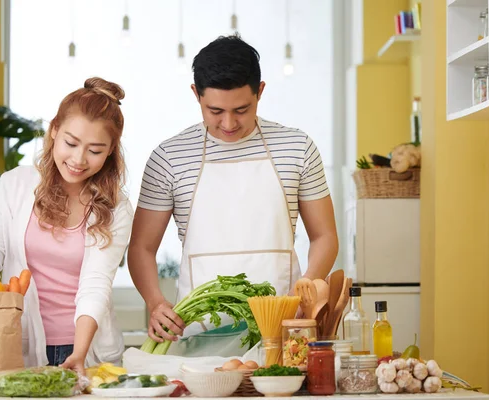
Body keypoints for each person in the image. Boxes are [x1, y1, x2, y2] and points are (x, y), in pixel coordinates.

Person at [127, 35, 339, 351]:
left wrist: (304, 295)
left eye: (242, 109)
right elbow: (142, 246)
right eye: (215, 110)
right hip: (198, 333)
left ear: (260, 92)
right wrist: (156, 301)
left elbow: (325, 236)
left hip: (281, 330)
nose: (228, 123)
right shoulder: (169, 157)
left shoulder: (297, 148)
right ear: (195, 95)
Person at [0, 77, 133, 374]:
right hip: (18, 340)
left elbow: (96, 284)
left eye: (95, 150)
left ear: (110, 151)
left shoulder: (115, 206)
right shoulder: (14, 185)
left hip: (88, 350)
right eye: (71, 142)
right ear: (54, 129)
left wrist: (79, 355)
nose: (79, 160)